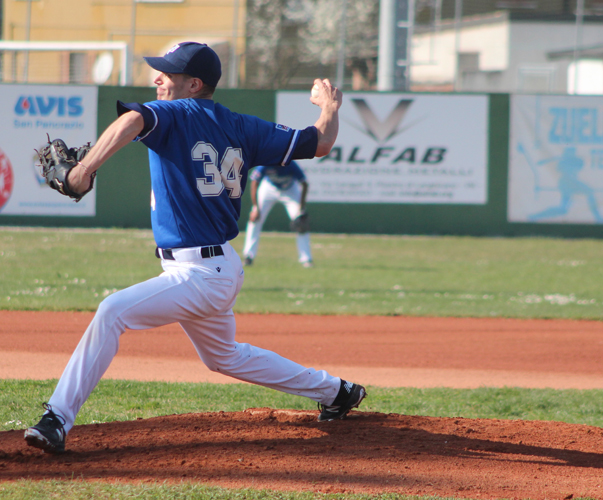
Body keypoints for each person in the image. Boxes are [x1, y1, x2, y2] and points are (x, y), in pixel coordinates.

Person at [24, 42, 366, 455]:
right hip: (216, 268)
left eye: (166, 74)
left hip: (199, 274)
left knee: (112, 311)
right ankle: (338, 392)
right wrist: (329, 105)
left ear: (193, 84)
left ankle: (57, 418)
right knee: (225, 357)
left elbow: (133, 119)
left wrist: (81, 172)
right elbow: (322, 141)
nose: (157, 79)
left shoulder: (172, 112)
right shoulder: (241, 126)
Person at [242, 161, 313, 267]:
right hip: (269, 188)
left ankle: (306, 259)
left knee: (300, 222)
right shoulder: (267, 161)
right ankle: (249, 256)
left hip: (290, 190)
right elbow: (254, 182)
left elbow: (304, 183)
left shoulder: (291, 163)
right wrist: (256, 208)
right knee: (255, 219)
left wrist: (301, 207)